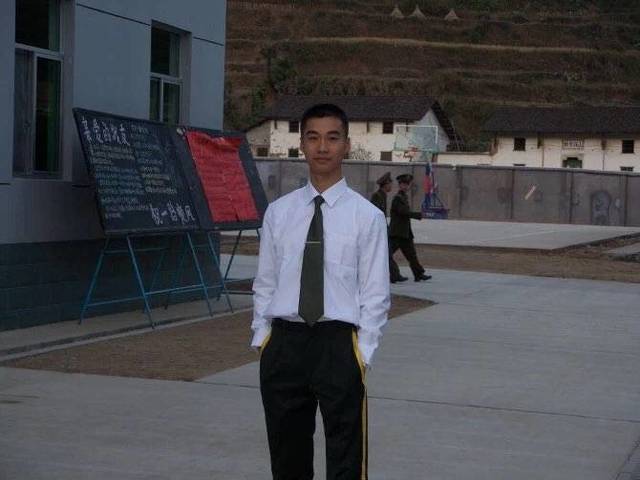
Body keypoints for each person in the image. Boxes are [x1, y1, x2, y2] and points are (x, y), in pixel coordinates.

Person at [251, 103, 390, 480]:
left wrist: (363, 351)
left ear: (347, 145)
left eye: (332, 138)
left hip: (338, 344)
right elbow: (265, 282)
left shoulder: (367, 217)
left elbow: (375, 292)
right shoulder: (279, 213)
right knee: (287, 458)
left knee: (346, 458)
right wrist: (263, 338)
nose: (322, 147)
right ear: (302, 144)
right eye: (313, 138)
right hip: (285, 344)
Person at [389, 173, 432, 282]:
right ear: (400, 185)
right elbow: (403, 212)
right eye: (404, 184)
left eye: (408, 184)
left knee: (412, 255)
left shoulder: (404, 197)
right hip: (397, 234)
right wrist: (418, 215)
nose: (406, 186)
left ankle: (418, 274)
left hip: (405, 233)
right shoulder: (397, 198)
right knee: (386, 254)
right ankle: (393, 275)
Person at [370, 171, 407, 283]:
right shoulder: (377, 196)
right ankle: (394, 275)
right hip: (378, 229)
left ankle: (394, 275)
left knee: (387, 252)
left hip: (382, 228)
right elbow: (375, 213)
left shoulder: (382, 195)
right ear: (385, 184)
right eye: (390, 184)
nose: (391, 186)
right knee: (385, 252)